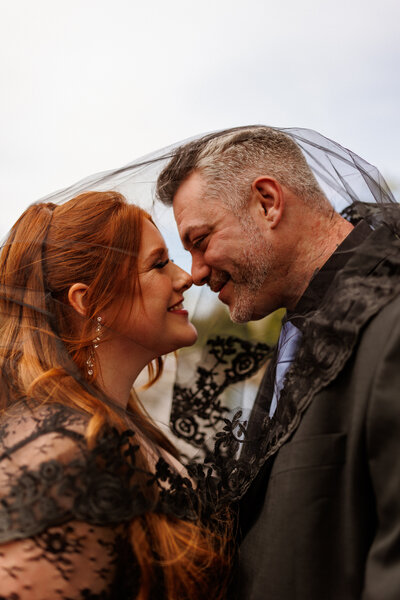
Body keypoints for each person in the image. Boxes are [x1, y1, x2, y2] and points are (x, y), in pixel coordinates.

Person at [155, 126, 400, 599]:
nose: (196, 273)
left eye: (200, 239)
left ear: (267, 202)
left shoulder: (389, 322)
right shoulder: (301, 331)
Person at [0, 190, 232, 600]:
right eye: (159, 264)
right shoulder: (61, 449)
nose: (186, 277)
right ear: (89, 302)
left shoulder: (123, 425)